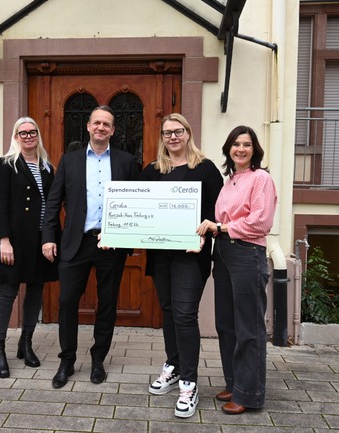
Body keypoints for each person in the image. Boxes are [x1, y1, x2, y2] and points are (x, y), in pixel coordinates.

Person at [41, 105, 139, 389]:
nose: (101, 128)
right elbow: (53, 202)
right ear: (88, 126)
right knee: (67, 302)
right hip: (76, 243)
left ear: (113, 130)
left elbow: (135, 202)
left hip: (111, 244)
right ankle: (67, 360)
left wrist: (128, 238)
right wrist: (49, 236)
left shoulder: (126, 161)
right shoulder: (69, 161)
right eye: (96, 122)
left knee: (107, 304)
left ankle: (98, 360)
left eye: (106, 124)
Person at [141, 113, 223, 418]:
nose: (172, 137)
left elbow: (219, 210)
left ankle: (189, 382)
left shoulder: (206, 169)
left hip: (191, 254)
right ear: (161, 137)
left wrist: (211, 224)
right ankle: (173, 366)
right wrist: (115, 233)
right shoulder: (152, 171)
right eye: (167, 133)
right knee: (169, 311)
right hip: (161, 253)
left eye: (178, 131)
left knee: (186, 314)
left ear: (188, 133)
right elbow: (139, 207)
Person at [197, 125, 277, 415]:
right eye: (235, 144)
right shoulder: (230, 181)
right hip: (224, 253)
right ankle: (235, 383)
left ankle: (250, 394)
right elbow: (217, 221)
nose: (240, 149)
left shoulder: (261, 178)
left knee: (249, 328)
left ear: (254, 150)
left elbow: (261, 221)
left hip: (247, 253)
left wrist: (222, 227)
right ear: (228, 149)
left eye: (246, 144)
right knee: (226, 324)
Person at [0, 117, 58, 378]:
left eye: (33, 132)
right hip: (15, 241)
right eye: (23, 132)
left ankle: (26, 343)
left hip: (42, 239)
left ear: (38, 135)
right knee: (7, 292)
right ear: (16, 136)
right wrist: (4, 240)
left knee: (36, 290)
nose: (28, 136)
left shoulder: (47, 166)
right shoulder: (7, 165)